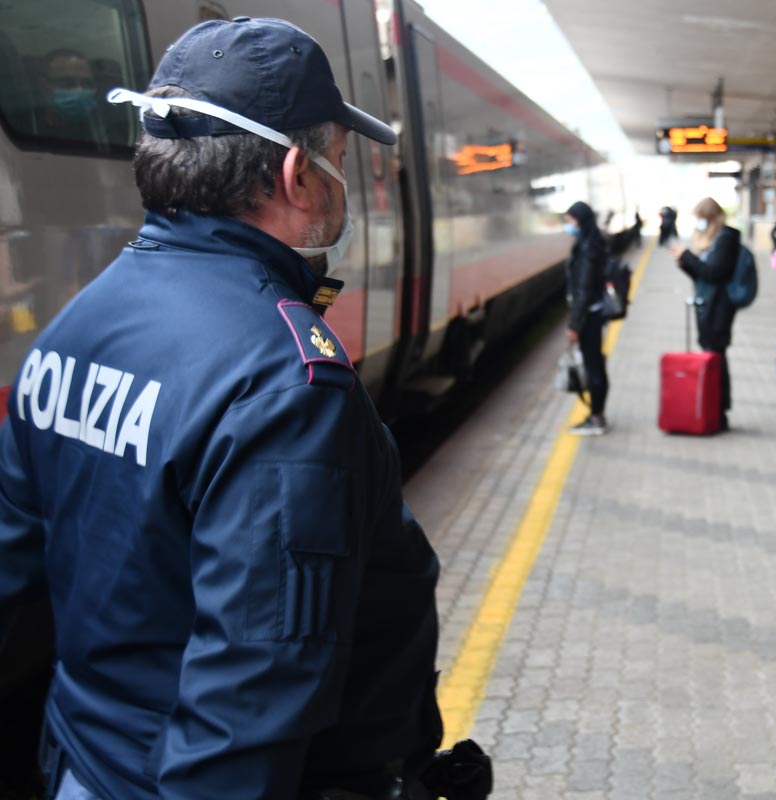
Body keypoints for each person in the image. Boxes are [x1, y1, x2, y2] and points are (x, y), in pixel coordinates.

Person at [0, 19, 467, 800]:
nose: (344, 186)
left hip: (82, 758)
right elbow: (249, 695)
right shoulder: (284, 385)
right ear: (297, 174)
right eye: (340, 161)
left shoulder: (72, 329)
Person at [670, 197, 738, 431]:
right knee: (712, 353)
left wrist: (688, 256)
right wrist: (684, 262)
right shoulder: (716, 240)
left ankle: (719, 412)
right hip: (710, 304)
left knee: (715, 356)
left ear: (710, 218)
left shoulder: (726, 239)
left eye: (700, 219)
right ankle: (713, 408)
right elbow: (703, 276)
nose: (698, 224)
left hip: (720, 307)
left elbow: (713, 274)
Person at [564, 200, 610, 436]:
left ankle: (596, 418)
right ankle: (597, 414)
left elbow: (583, 290)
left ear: (580, 220)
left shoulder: (588, 247)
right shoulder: (592, 242)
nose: (569, 226)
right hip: (593, 313)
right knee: (596, 364)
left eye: (571, 221)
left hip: (589, 316)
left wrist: (574, 324)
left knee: (593, 367)